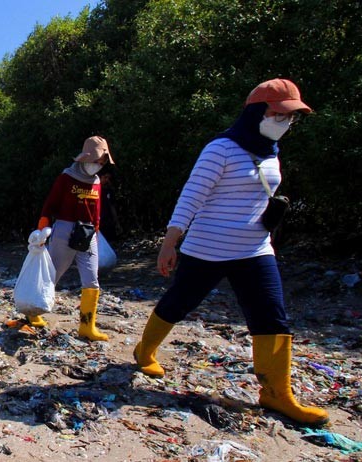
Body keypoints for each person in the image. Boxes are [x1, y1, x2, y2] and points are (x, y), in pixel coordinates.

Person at [132, 79, 328, 425]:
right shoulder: (220, 149)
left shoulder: (270, 152)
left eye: (290, 117)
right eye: (278, 114)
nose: (285, 122)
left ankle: (276, 394)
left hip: (254, 249)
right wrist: (169, 243)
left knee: (271, 315)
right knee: (178, 303)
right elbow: (191, 196)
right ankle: (144, 351)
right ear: (256, 112)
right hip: (206, 248)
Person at [36, 135, 114, 341]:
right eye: (97, 161)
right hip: (65, 229)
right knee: (53, 274)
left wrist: (96, 230)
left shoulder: (96, 181)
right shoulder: (66, 177)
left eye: (102, 162)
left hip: (88, 234)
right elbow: (51, 202)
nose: (99, 166)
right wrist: (44, 223)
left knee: (92, 280)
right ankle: (32, 313)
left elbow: (97, 211)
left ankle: (87, 326)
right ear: (85, 158)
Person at [98, 167, 122, 243]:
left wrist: (117, 222)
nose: (107, 180)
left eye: (108, 178)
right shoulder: (95, 190)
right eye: (105, 177)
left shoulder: (109, 190)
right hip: (98, 221)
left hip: (108, 221)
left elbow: (112, 206)